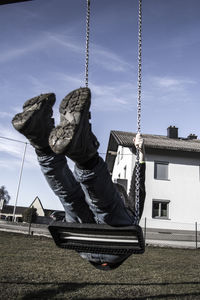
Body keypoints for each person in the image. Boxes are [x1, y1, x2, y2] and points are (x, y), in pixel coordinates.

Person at [12, 87, 146, 271]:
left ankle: (57, 145)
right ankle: (44, 142)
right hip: (97, 247)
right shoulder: (119, 200)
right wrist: (141, 156)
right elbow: (138, 190)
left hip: (100, 243)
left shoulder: (117, 196)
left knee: (82, 200)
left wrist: (141, 156)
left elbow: (138, 191)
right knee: (73, 198)